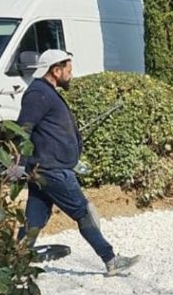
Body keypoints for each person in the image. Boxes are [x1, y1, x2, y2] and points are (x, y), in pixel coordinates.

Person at [12, 49, 139, 275]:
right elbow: (23, 129)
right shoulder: (38, 94)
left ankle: (14, 263)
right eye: (68, 70)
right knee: (83, 213)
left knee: (34, 218)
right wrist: (20, 164)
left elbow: (50, 134)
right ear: (55, 70)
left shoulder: (47, 92)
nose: (71, 75)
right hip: (52, 170)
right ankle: (110, 260)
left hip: (47, 167)